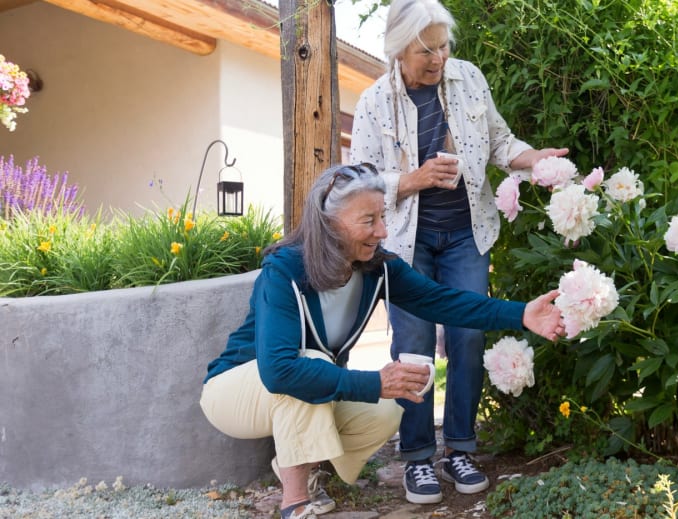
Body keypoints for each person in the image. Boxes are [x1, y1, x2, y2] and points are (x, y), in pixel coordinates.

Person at [199, 163, 565, 519]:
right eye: (368, 220)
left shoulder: (378, 268)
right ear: (330, 222)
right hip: (234, 391)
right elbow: (280, 371)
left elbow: (443, 301)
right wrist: (375, 382)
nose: (383, 231)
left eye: (382, 217)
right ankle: (296, 503)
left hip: (293, 384)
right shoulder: (284, 271)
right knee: (309, 366)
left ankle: (298, 463)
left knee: (387, 410)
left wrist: (521, 314)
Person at [349, 0, 569, 505]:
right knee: (414, 343)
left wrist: (531, 158)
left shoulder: (468, 78)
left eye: (443, 46)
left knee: (469, 336)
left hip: (468, 234)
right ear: (398, 49)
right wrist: (414, 179)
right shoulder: (374, 102)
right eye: (426, 51)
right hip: (407, 242)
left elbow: (499, 141)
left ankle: (461, 450)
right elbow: (359, 180)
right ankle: (417, 457)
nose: (438, 58)